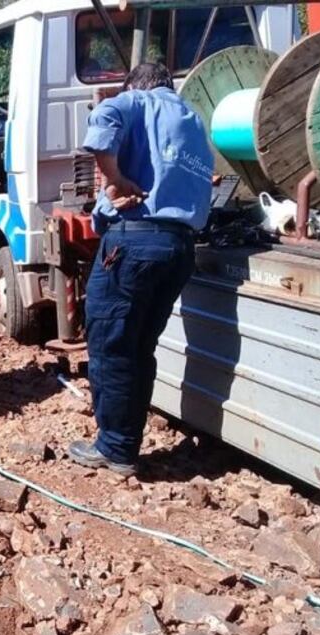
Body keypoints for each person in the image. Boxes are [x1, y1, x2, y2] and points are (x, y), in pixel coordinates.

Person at [68, 62, 214, 476]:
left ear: (137, 87)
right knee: (139, 346)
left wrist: (113, 177)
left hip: (135, 244)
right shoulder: (192, 120)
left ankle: (115, 448)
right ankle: (125, 443)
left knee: (111, 344)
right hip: (179, 248)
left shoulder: (137, 101)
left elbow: (103, 117)